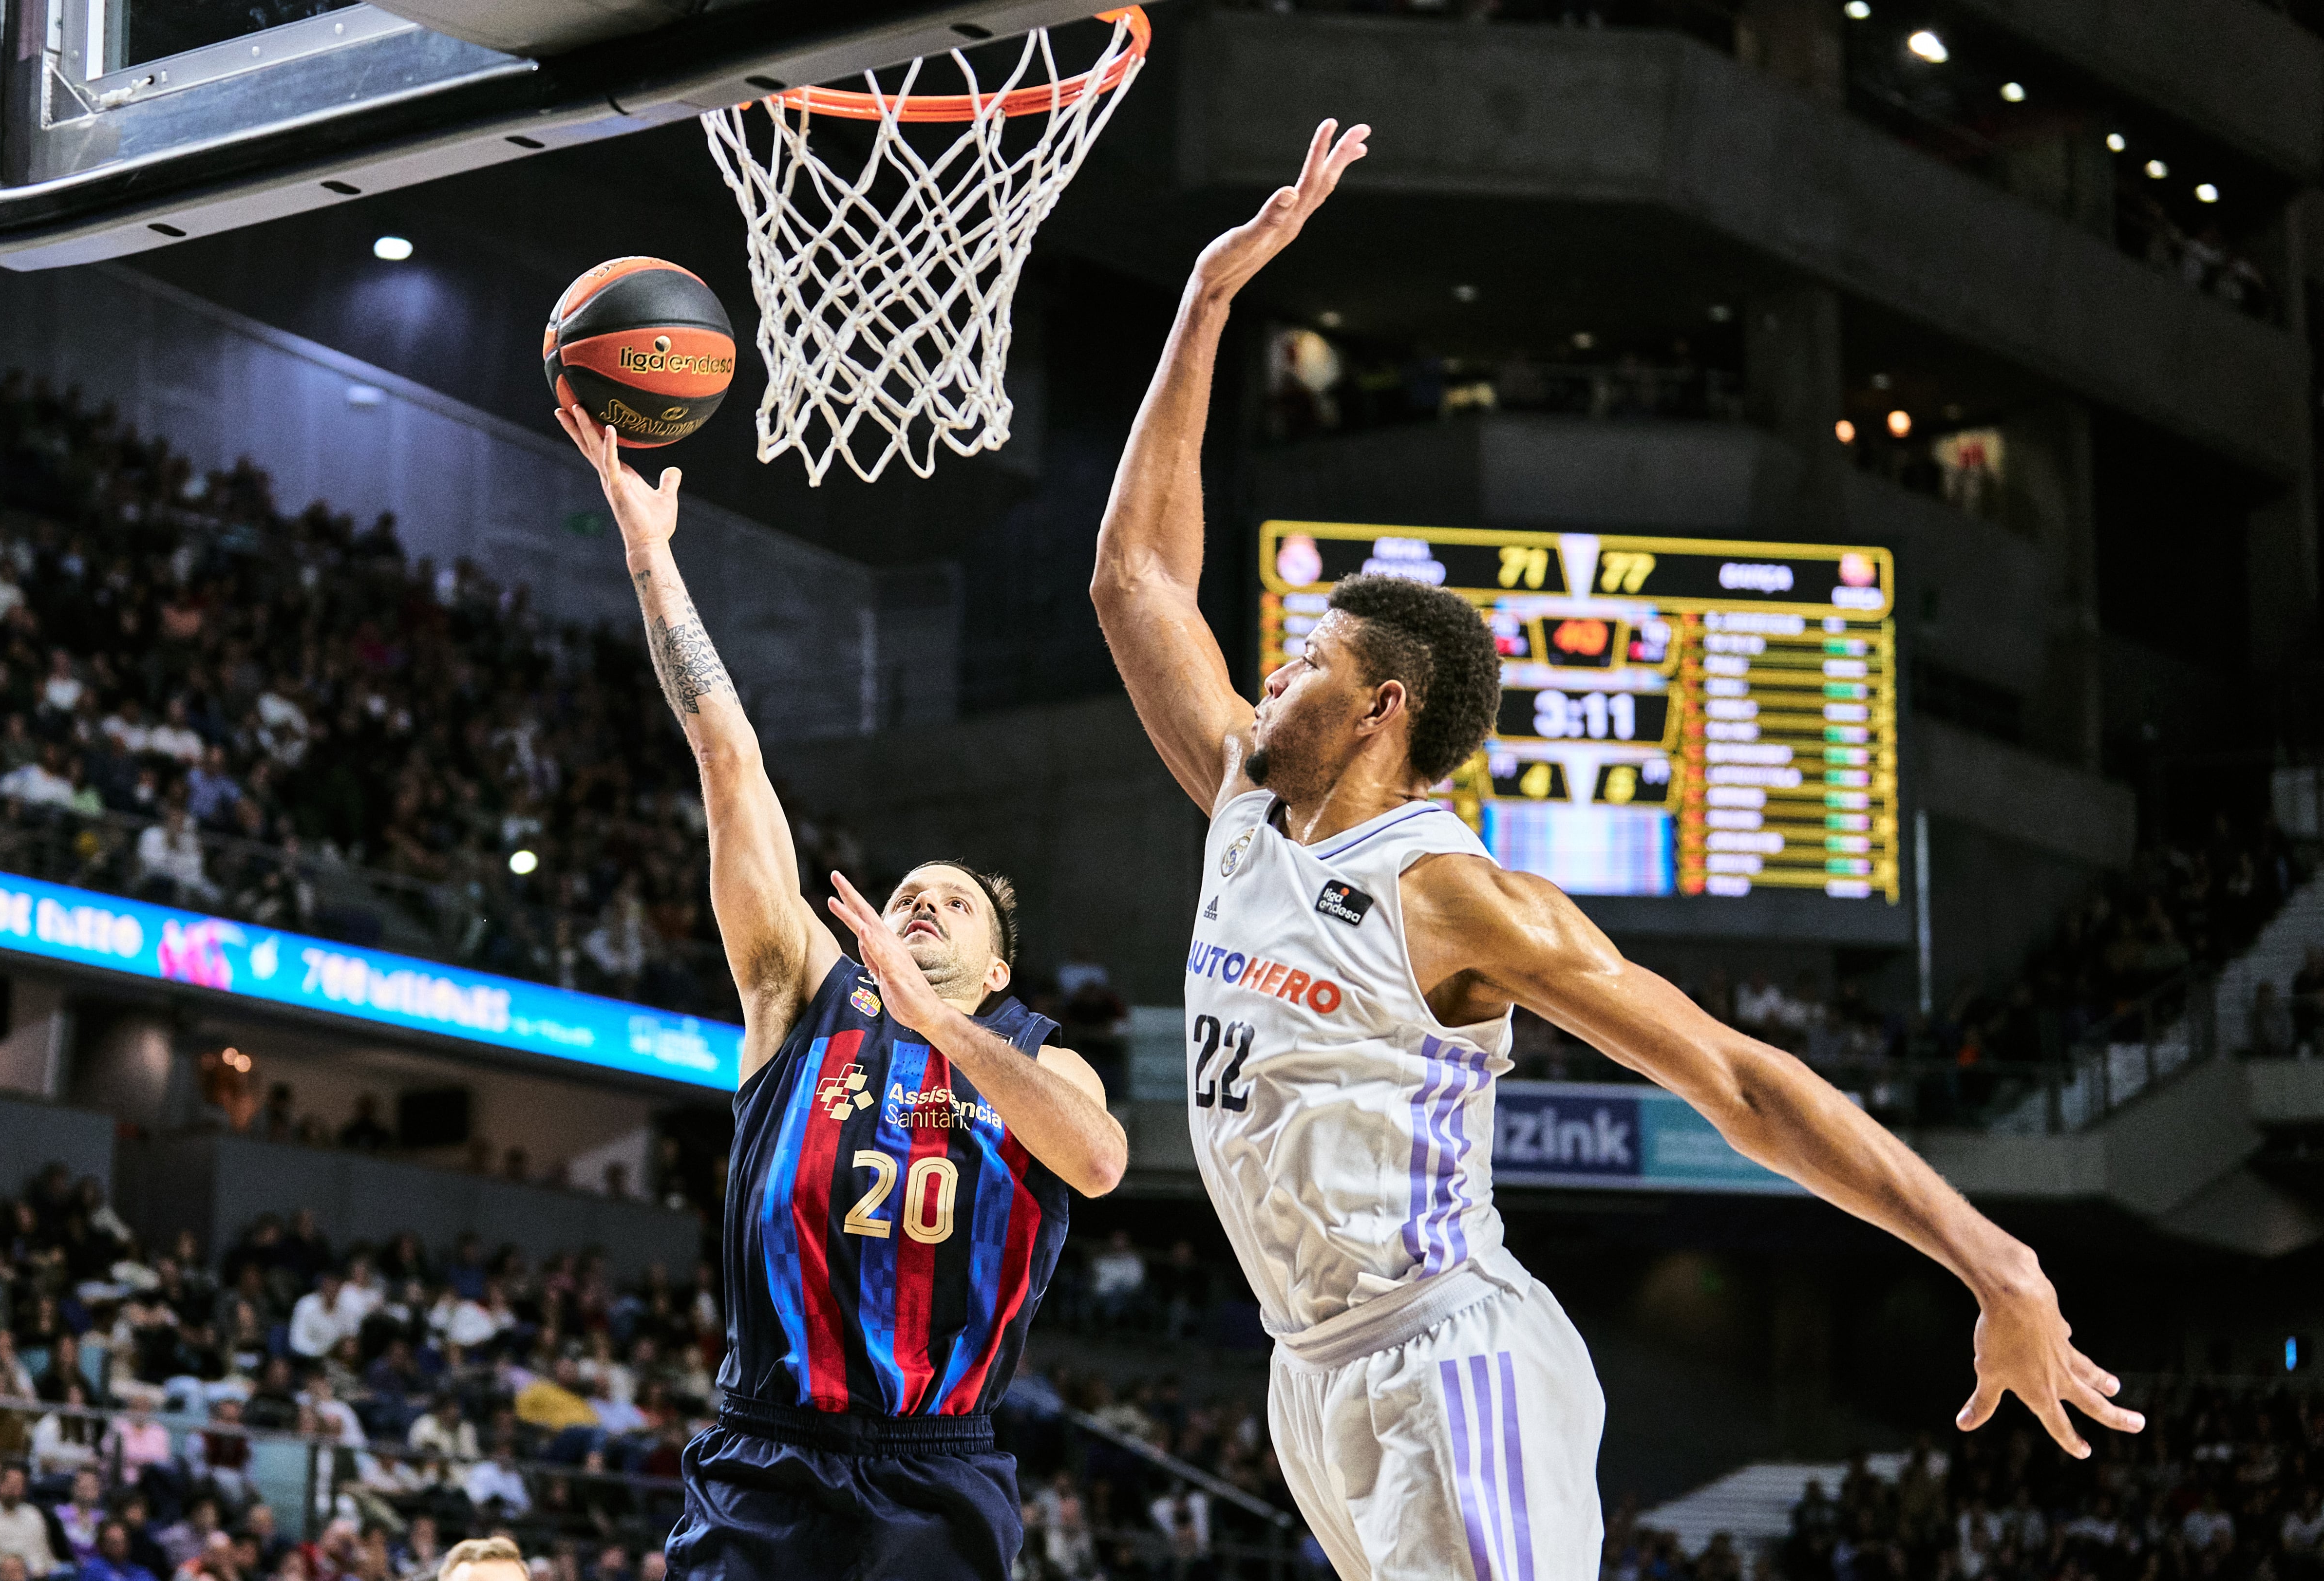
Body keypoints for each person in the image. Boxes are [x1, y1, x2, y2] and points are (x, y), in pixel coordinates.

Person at [1090, 119, 2143, 1581]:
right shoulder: (1243, 806)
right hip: (1309, 1369)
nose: (1267, 672)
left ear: (1382, 706)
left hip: (1448, 1356)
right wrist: (1207, 300)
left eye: (1306, 658)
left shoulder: (1451, 894)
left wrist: (1994, 1256)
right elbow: (1136, 574)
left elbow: (1741, 1080)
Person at [553, 404, 1129, 1581]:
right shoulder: (796, 994)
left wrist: (938, 1024)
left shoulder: (1035, 1052)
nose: (921, 904)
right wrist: (648, 557)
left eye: (953, 903)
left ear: (1001, 964)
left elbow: (1099, 1160)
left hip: (936, 1467)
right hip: (769, 1448)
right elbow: (729, 756)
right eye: (906, 891)